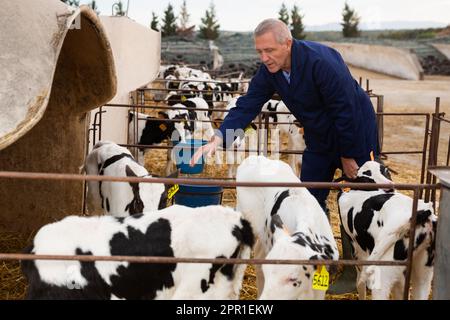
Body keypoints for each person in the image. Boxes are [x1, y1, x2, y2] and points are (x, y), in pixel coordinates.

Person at [190, 18, 380, 293]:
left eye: (269, 51)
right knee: (308, 194)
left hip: (355, 133)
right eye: (259, 52)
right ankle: (319, 258)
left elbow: (346, 109)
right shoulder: (271, 70)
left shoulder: (320, 62)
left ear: (287, 43)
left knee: (362, 197)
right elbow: (249, 103)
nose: (264, 58)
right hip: (318, 137)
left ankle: (361, 270)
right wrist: (220, 137)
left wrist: (349, 155)